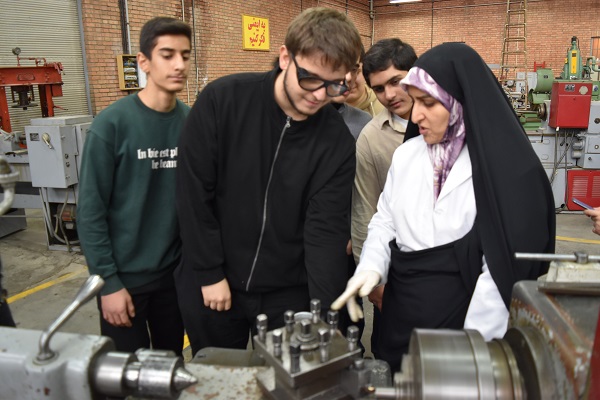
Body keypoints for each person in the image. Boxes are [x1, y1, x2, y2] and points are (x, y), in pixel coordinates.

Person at [332, 42, 556, 371]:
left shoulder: (508, 174)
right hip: (400, 316)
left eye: (429, 102)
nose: (415, 115)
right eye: (416, 101)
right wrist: (371, 266)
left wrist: (471, 350)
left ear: (461, 100)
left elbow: (501, 273)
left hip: (464, 322)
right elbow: (385, 220)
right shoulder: (407, 156)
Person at [175, 7, 362, 356]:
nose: (320, 95)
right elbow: (193, 194)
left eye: (334, 84)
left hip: (287, 292)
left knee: (288, 378)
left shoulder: (335, 139)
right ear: (285, 57)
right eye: (310, 78)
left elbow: (324, 231)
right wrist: (209, 272)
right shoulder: (223, 101)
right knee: (218, 375)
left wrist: (327, 315)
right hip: (213, 281)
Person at [77, 17, 192, 354]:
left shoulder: (192, 123)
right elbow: (90, 213)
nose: (179, 65)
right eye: (167, 55)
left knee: (168, 365)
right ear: (143, 61)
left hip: (174, 279)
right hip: (123, 281)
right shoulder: (111, 124)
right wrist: (107, 282)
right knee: (123, 374)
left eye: (185, 55)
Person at [350, 38, 417, 358]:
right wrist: (373, 279)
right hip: (395, 267)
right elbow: (365, 209)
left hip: (447, 265)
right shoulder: (371, 137)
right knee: (391, 355)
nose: (389, 95)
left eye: (396, 81)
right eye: (378, 88)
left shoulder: (451, 120)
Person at [346, 45, 385, 117]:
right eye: (340, 72)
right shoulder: (325, 109)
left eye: (355, 71)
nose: (348, 78)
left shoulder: (385, 106)